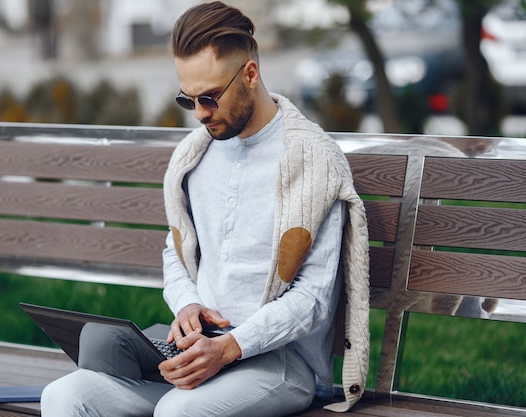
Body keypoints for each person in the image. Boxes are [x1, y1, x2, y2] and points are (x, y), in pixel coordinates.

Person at [40, 2, 370, 416]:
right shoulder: (194, 157)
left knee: (178, 412)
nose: (199, 113)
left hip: (280, 362)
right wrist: (187, 306)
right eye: (187, 98)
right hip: (197, 356)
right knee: (64, 396)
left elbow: (314, 300)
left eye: (210, 97)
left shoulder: (313, 161)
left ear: (250, 74)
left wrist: (230, 346)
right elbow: (175, 253)